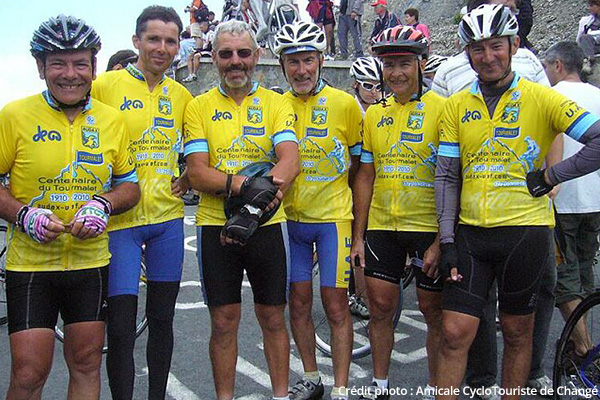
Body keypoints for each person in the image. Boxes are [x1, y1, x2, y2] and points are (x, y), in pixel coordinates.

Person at [435, 4, 600, 400]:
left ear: (514, 45)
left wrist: (550, 176)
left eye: (496, 46)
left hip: (525, 233)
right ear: (467, 53)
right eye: (477, 49)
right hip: (471, 234)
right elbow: (446, 175)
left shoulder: (541, 97)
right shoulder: (456, 104)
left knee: (516, 331)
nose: (487, 56)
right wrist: (446, 239)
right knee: (454, 332)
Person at [0, 14, 140, 399]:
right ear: (40, 66)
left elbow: (130, 187)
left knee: (86, 363)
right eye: (58, 62)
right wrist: (22, 215)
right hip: (31, 265)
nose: (69, 73)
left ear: (94, 68)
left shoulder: (112, 120)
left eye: (80, 63)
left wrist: (103, 204)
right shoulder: (14, 115)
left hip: (89, 262)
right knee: (29, 373)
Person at [183, 20, 299, 400]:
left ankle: (280, 395)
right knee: (223, 322)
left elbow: (289, 162)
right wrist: (248, 187)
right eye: (227, 54)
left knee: (272, 318)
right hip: (216, 225)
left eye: (244, 53)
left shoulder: (276, 102)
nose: (236, 61)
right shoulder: (198, 106)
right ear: (213, 57)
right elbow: (198, 172)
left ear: (257, 56)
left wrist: (253, 210)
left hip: (266, 226)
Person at [91, 6, 193, 400]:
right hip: (121, 224)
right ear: (136, 42)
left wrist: (186, 177)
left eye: (170, 41)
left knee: (163, 321)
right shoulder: (105, 87)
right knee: (119, 328)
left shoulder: (182, 95)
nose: (162, 48)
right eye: (153, 39)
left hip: (167, 221)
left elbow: (199, 151)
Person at [351, 26, 446, 400]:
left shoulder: (445, 108)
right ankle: (379, 387)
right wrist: (358, 236)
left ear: (420, 64)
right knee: (380, 309)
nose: (396, 73)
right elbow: (365, 176)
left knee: (432, 312)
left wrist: (443, 237)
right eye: (389, 65)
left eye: (405, 63)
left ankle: (440, 388)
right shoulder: (375, 114)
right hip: (382, 226)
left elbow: (454, 178)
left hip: (426, 225)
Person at [273, 21, 363, 400]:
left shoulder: (345, 104)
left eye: (308, 60)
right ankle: (311, 377)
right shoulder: (277, 104)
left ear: (322, 60)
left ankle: (341, 387)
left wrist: (358, 231)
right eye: (292, 62)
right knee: (298, 302)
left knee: (336, 304)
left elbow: (359, 169)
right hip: (291, 222)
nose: (301, 70)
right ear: (282, 65)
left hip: (332, 221)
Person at [543, 41, 600, 361]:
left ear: (558, 66)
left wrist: (549, 179)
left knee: (564, 281)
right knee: (585, 275)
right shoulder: (598, 94)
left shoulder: (553, 98)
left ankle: (585, 349)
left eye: (548, 67)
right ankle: (582, 343)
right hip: (594, 200)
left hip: (562, 200)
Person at [577, 0, 600, 65]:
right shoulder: (590, 21)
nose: (589, 8)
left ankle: (589, 62)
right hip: (594, 46)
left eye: (592, 5)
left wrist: (593, 37)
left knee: (585, 38)